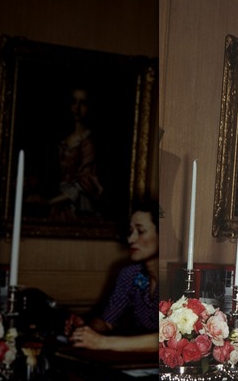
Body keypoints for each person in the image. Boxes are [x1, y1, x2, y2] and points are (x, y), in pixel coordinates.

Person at [65, 199, 159, 352]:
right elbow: (107, 321)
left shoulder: (183, 278)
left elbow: (173, 341)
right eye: (131, 231)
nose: (130, 239)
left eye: (140, 231)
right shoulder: (130, 274)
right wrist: (85, 330)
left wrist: (102, 343)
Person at [45, 87, 104, 221]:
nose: (76, 108)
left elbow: (85, 183)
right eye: (74, 102)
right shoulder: (63, 139)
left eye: (82, 103)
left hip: (76, 206)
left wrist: (49, 202)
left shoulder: (88, 142)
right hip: (58, 204)